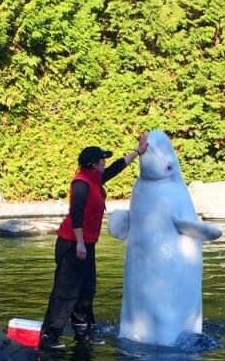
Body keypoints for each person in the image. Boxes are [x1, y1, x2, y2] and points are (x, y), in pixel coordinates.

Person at [41, 135, 148, 350]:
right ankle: (49, 336)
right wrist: (80, 243)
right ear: (93, 164)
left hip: (85, 244)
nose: (105, 163)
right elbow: (76, 213)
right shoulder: (81, 183)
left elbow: (117, 168)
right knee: (66, 291)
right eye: (102, 160)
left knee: (86, 290)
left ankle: (82, 334)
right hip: (72, 243)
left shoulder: (95, 179)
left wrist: (138, 152)